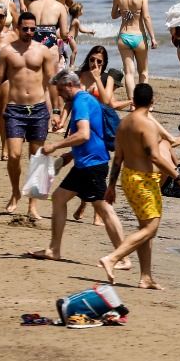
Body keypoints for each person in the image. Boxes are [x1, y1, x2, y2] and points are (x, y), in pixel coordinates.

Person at [26, 70, 126, 264]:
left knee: (105, 209)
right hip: (85, 163)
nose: (61, 95)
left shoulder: (80, 102)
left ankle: (122, 258)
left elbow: (84, 135)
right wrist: (69, 155)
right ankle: (54, 249)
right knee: (59, 198)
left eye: (61, 90)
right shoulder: (86, 100)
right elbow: (93, 134)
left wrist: (54, 145)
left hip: (92, 164)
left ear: (70, 85)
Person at [102, 82, 179, 289]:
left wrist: (111, 186)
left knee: (145, 228)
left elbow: (117, 159)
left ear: (133, 101)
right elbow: (155, 156)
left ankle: (146, 277)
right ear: (152, 101)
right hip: (143, 180)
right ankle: (113, 258)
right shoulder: (148, 125)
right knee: (151, 228)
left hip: (128, 177)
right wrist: (177, 176)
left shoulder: (124, 123)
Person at [0, 9, 58, 219]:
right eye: (25, 28)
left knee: (36, 158)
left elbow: (51, 82)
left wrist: (56, 111)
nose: (29, 32)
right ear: (17, 28)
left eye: (33, 29)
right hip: (14, 109)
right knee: (13, 155)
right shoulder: (7, 52)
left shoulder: (43, 51)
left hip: (38, 109)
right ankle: (15, 192)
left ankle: (32, 205)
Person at [111, 0, 155, 86]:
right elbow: (146, 18)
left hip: (124, 36)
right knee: (143, 72)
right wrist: (153, 38)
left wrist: (123, 11)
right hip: (139, 36)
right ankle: (142, 101)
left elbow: (113, 15)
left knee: (129, 73)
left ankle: (131, 102)